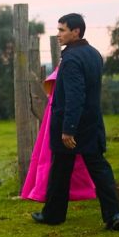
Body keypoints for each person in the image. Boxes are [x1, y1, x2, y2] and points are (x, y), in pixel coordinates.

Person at [32, 14, 119, 230]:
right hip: (92, 123)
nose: (58, 34)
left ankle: (53, 215)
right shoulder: (94, 54)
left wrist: (68, 129)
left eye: (62, 30)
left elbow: (75, 96)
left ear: (76, 32)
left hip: (73, 126)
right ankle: (114, 214)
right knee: (98, 169)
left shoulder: (71, 59)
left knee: (60, 171)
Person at [20, 66, 97, 203]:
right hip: (64, 114)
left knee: (61, 157)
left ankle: (60, 196)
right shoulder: (73, 62)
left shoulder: (71, 62)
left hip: (66, 115)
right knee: (60, 158)